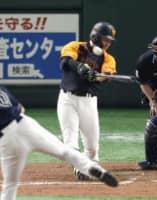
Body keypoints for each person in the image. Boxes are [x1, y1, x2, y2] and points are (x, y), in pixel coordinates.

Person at [0, 87, 118, 200]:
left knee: (10, 184)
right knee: (64, 151)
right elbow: (21, 108)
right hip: (26, 125)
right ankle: (91, 167)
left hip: (8, 138)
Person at [57, 22, 117, 180]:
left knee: (92, 148)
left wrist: (96, 76)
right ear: (95, 36)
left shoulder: (108, 58)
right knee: (71, 142)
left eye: (110, 41)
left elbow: (105, 76)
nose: (108, 43)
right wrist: (80, 67)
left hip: (89, 102)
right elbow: (66, 62)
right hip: (67, 99)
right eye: (106, 39)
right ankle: (80, 167)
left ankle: (88, 163)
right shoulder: (75, 46)